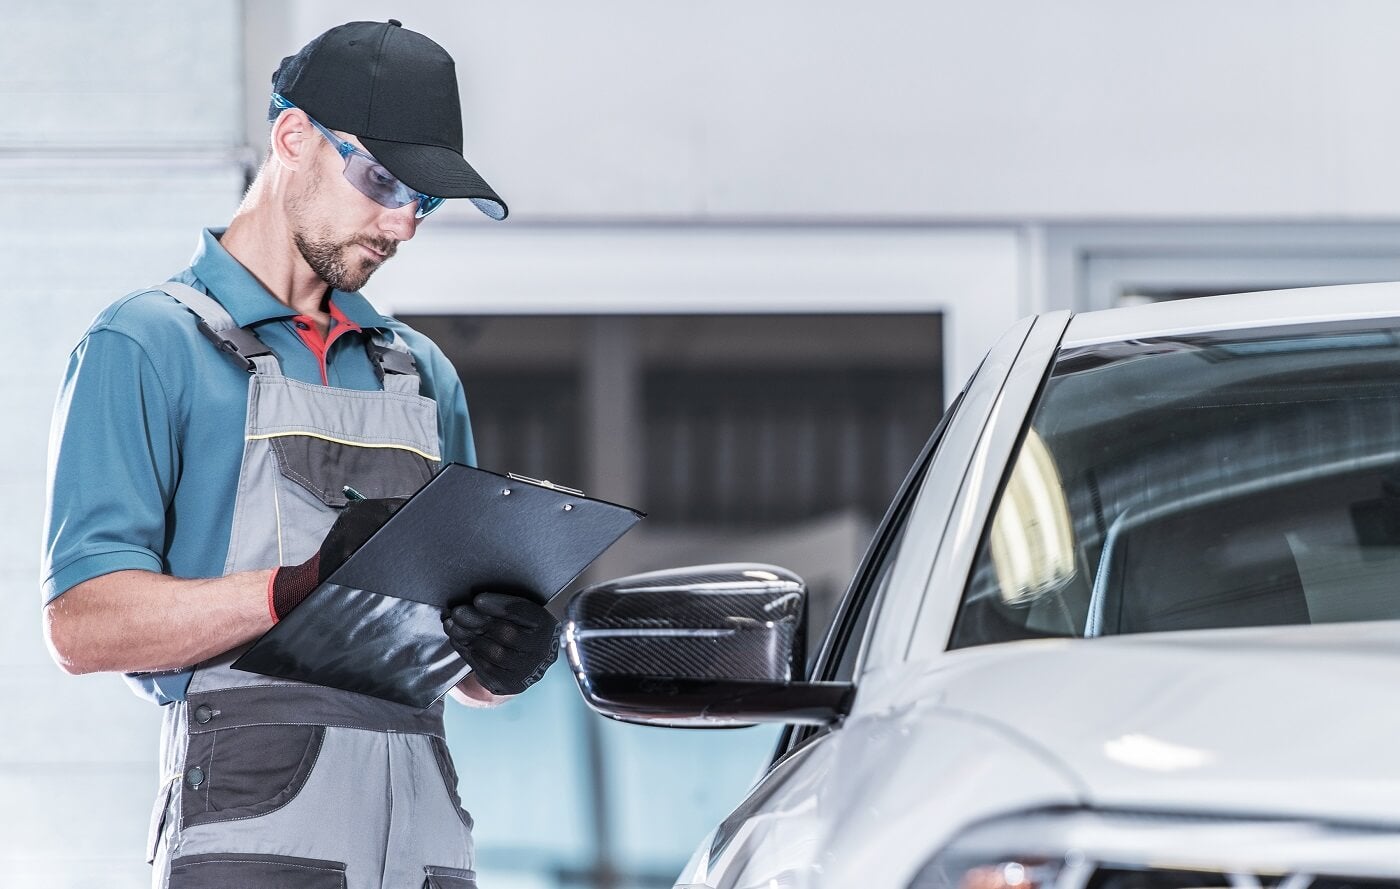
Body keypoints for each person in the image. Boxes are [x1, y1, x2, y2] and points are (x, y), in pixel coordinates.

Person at [40, 19, 558, 889]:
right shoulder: (147, 344)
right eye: (384, 181)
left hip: (425, 836)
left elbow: (458, 658)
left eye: (424, 201)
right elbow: (83, 624)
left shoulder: (422, 376)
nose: (403, 223)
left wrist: (501, 660)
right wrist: (299, 585)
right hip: (255, 828)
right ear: (293, 138)